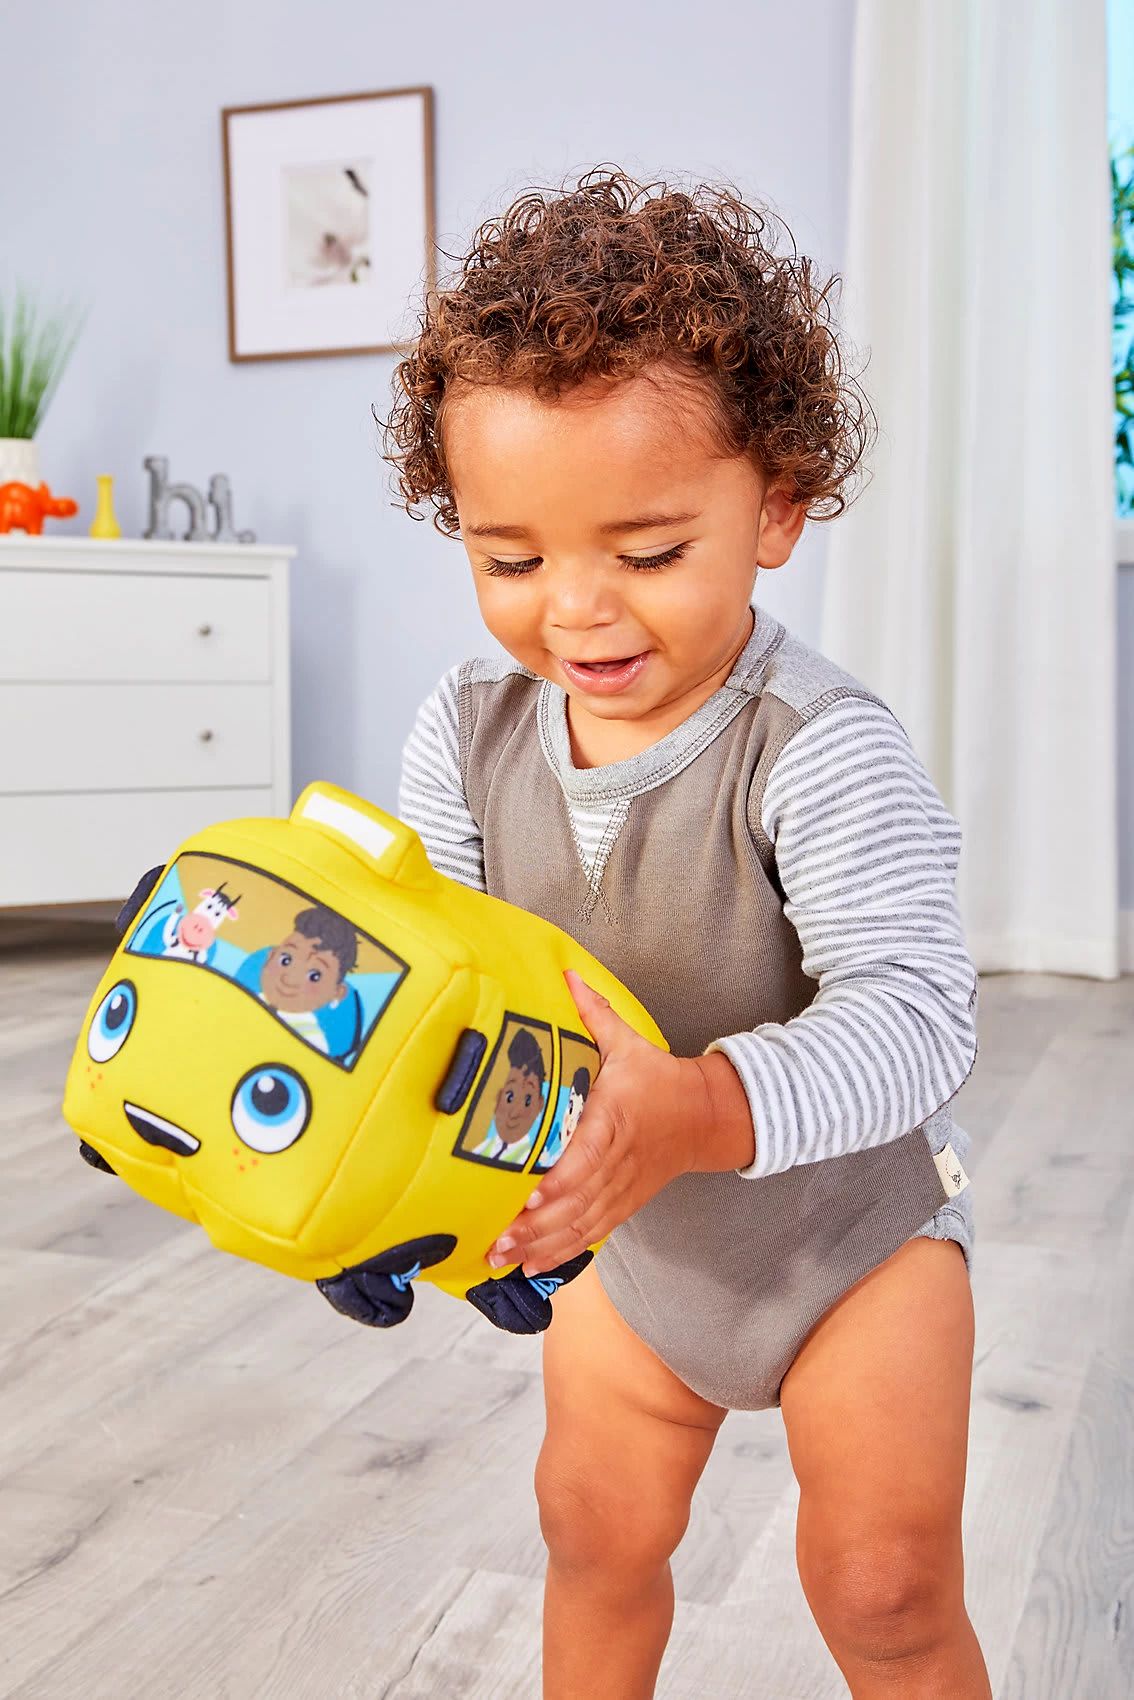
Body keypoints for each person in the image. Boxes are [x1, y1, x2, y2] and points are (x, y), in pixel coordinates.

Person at [394, 171, 990, 1700]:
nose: (576, 612)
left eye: (647, 554)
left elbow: (917, 1013)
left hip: (847, 1252)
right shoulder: (464, 733)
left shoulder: (818, 747)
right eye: (510, 559)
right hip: (642, 1258)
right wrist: (389, 1183)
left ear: (775, 506)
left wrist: (697, 1108)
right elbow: (428, 986)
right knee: (590, 1535)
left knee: (882, 1590)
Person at [236, 904, 362, 1059]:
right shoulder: (246, 1001)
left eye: (314, 976)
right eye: (286, 960)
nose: (290, 980)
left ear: (337, 993)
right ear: (271, 956)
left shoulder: (310, 1040)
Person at [468, 1026, 549, 1165]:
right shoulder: (483, 1147)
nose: (514, 1113)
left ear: (540, 1105)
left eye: (528, 1100)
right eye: (509, 1097)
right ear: (499, 1097)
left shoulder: (529, 1158)